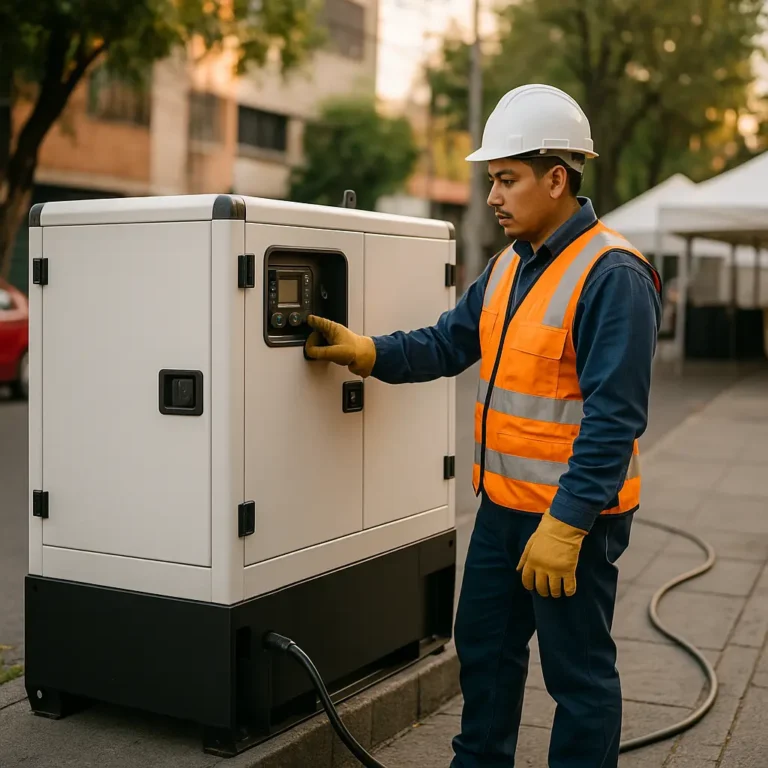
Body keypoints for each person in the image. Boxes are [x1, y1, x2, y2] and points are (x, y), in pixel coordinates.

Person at [304, 83, 662, 768]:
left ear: (557, 179)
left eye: (506, 179)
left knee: (579, 680)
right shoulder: (507, 267)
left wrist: (570, 523)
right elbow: (447, 342)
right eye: (491, 180)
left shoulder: (612, 274)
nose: (492, 196)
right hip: (502, 514)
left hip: (568, 522)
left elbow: (616, 418)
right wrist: (370, 352)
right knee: (486, 657)